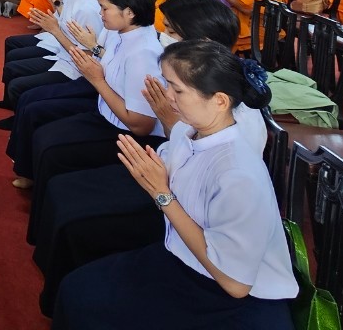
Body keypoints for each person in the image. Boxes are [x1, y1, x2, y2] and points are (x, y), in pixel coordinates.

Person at [32, 0, 262, 314]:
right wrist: (170, 122)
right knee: (64, 190)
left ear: (203, 42)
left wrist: (162, 189)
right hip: (166, 179)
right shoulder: (188, 81)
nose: (161, 36)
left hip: (189, 217)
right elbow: (181, 143)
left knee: (79, 225)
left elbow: (211, 197)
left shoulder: (241, 119)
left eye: (172, 32)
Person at [54, 41, 296, 330]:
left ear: (220, 100)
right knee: (77, 287)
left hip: (227, 297)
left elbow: (235, 284)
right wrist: (152, 171)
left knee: (85, 301)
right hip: (182, 253)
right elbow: (173, 164)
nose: (167, 96)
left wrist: (162, 194)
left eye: (177, 89)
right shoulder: (189, 129)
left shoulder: (238, 174)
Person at [12, 0, 164, 194]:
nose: (100, 14)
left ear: (129, 12)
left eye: (104, 9)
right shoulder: (124, 34)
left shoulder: (143, 53)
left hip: (124, 132)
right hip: (106, 108)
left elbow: (141, 125)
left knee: (49, 144)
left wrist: (96, 78)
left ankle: (49, 191)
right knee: (42, 131)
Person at [0, 0, 101, 110]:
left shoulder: (86, 7)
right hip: (63, 55)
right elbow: (65, 21)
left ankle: (19, 115)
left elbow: (86, 57)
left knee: (18, 86)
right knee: (13, 67)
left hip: (74, 69)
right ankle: (13, 106)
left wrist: (54, 29)